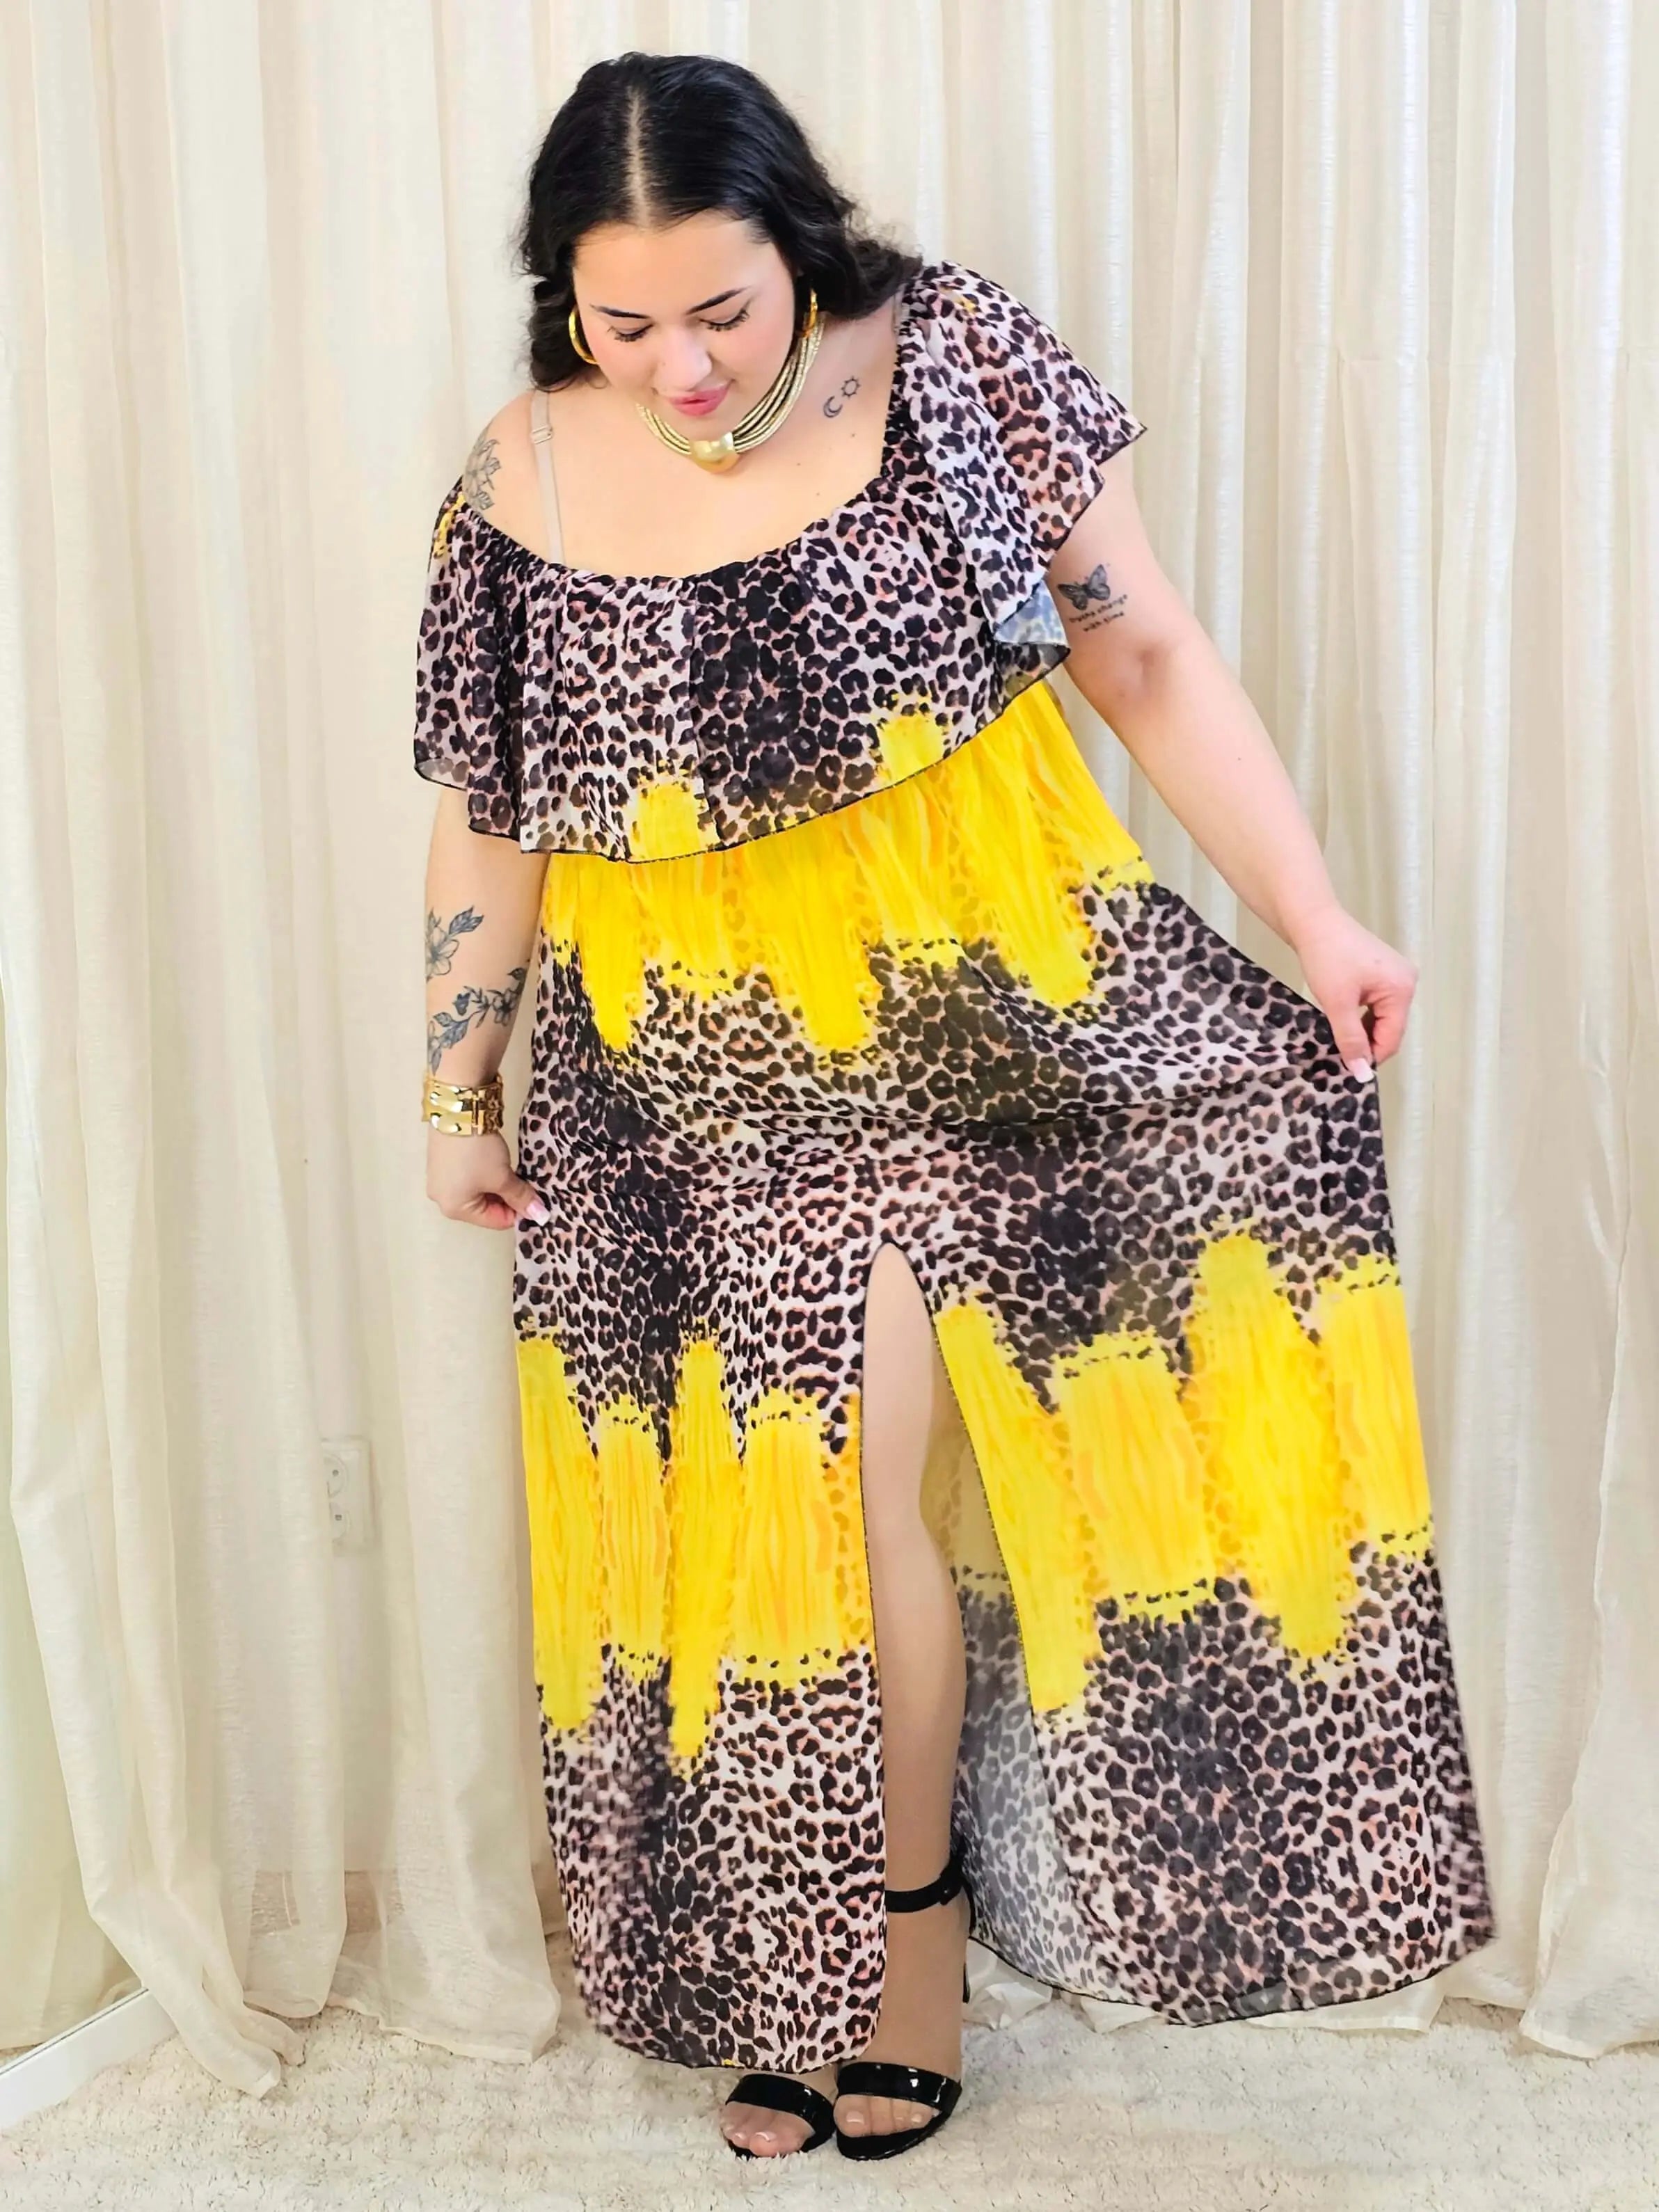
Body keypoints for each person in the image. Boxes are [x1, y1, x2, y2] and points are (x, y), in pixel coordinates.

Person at [413, 50, 1493, 2165]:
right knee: (737, 1522)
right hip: (670, 1080)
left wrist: (1316, 917)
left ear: (797, 241)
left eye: (722, 309)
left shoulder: (955, 360)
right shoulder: (517, 477)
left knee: (847, 1487)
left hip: (972, 1024)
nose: (682, 367)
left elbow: (1142, 655)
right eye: (625, 323)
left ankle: (899, 1949)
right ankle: (788, 1965)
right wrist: (456, 1075)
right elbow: (490, 810)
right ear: (566, 300)